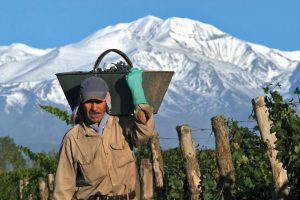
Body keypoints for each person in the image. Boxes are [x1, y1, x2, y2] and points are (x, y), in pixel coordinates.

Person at [53, 68, 155, 200]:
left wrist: (138, 92)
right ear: (82, 104)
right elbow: (62, 190)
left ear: (107, 101)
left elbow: (144, 134)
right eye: (89, 102)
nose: (94, 108)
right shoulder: (73, 138)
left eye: (98, 102)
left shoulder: (122, 125)